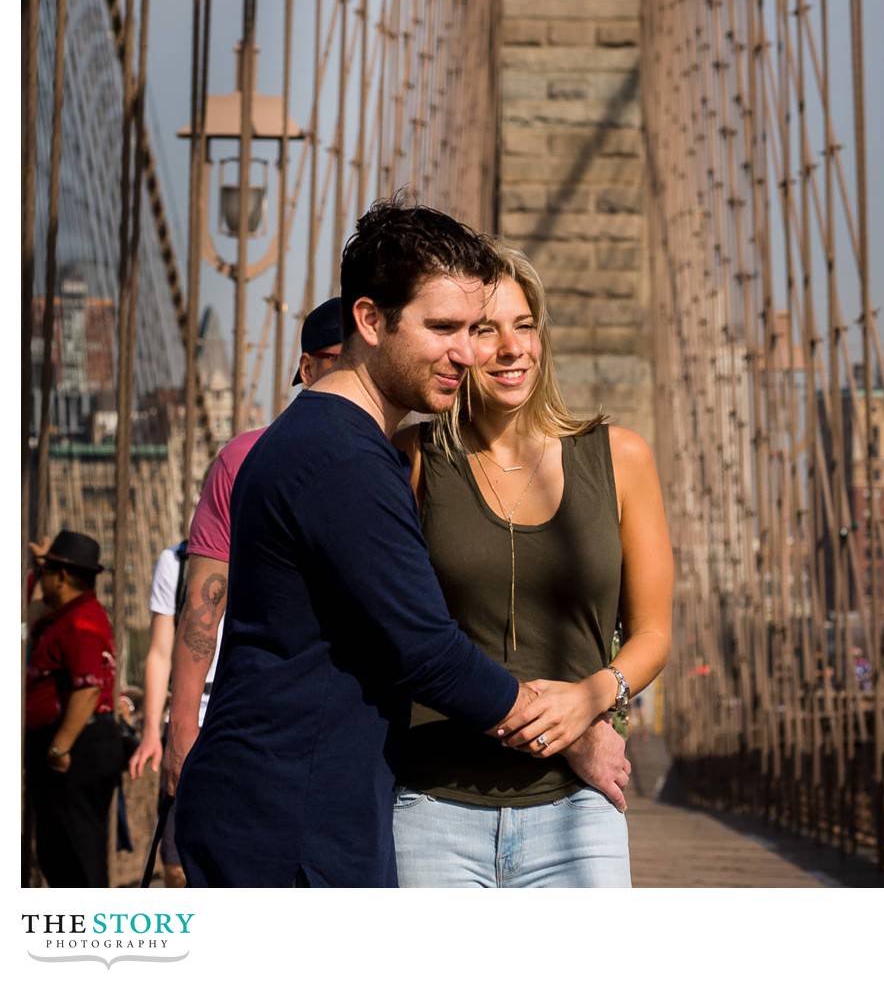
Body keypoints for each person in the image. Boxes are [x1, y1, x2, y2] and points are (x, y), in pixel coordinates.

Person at [173, 198, 603, 887]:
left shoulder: (321, 440)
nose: (466, 353)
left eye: (472, 328)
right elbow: (428, 654)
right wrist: (568, 729)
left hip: (285, 803)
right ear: (369, 320)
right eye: (440, 328)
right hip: (291, 820)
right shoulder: (342, 461)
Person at [391, 241, 673, 887]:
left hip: (575, 811)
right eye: (486, 331)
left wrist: (590, 700)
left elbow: (653, 635)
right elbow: (393, 629)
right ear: (457, 344)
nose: (511, 348)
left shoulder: (620, 459)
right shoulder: (413, 459)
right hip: (435, 808)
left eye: (524, 326)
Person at [161, 296, 343, 799]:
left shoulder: (405, 460)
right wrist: (181, 734)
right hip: (258, 727)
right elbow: (202, 606)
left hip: (360, 733)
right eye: (340, 360)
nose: (355, 378)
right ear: (307, 368)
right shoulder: (242, 459)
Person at [24, 530, 130, 887]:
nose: (42, 580)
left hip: (77, 747)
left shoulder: (80, 621)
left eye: (47, 573)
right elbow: (33, 606)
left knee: (77, 854)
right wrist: (42, 566)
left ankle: (87, 934)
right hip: (70, 744)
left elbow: (87, 688)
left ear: (64, 577)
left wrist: (60, 747)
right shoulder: (65, 615)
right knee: (57, 852)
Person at [127, 539, 192, 885]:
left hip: (245, 718)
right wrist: (152, 732)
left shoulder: (267, 542)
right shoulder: (176, 560)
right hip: (184, 720)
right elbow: (159, 653)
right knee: (177, 863)